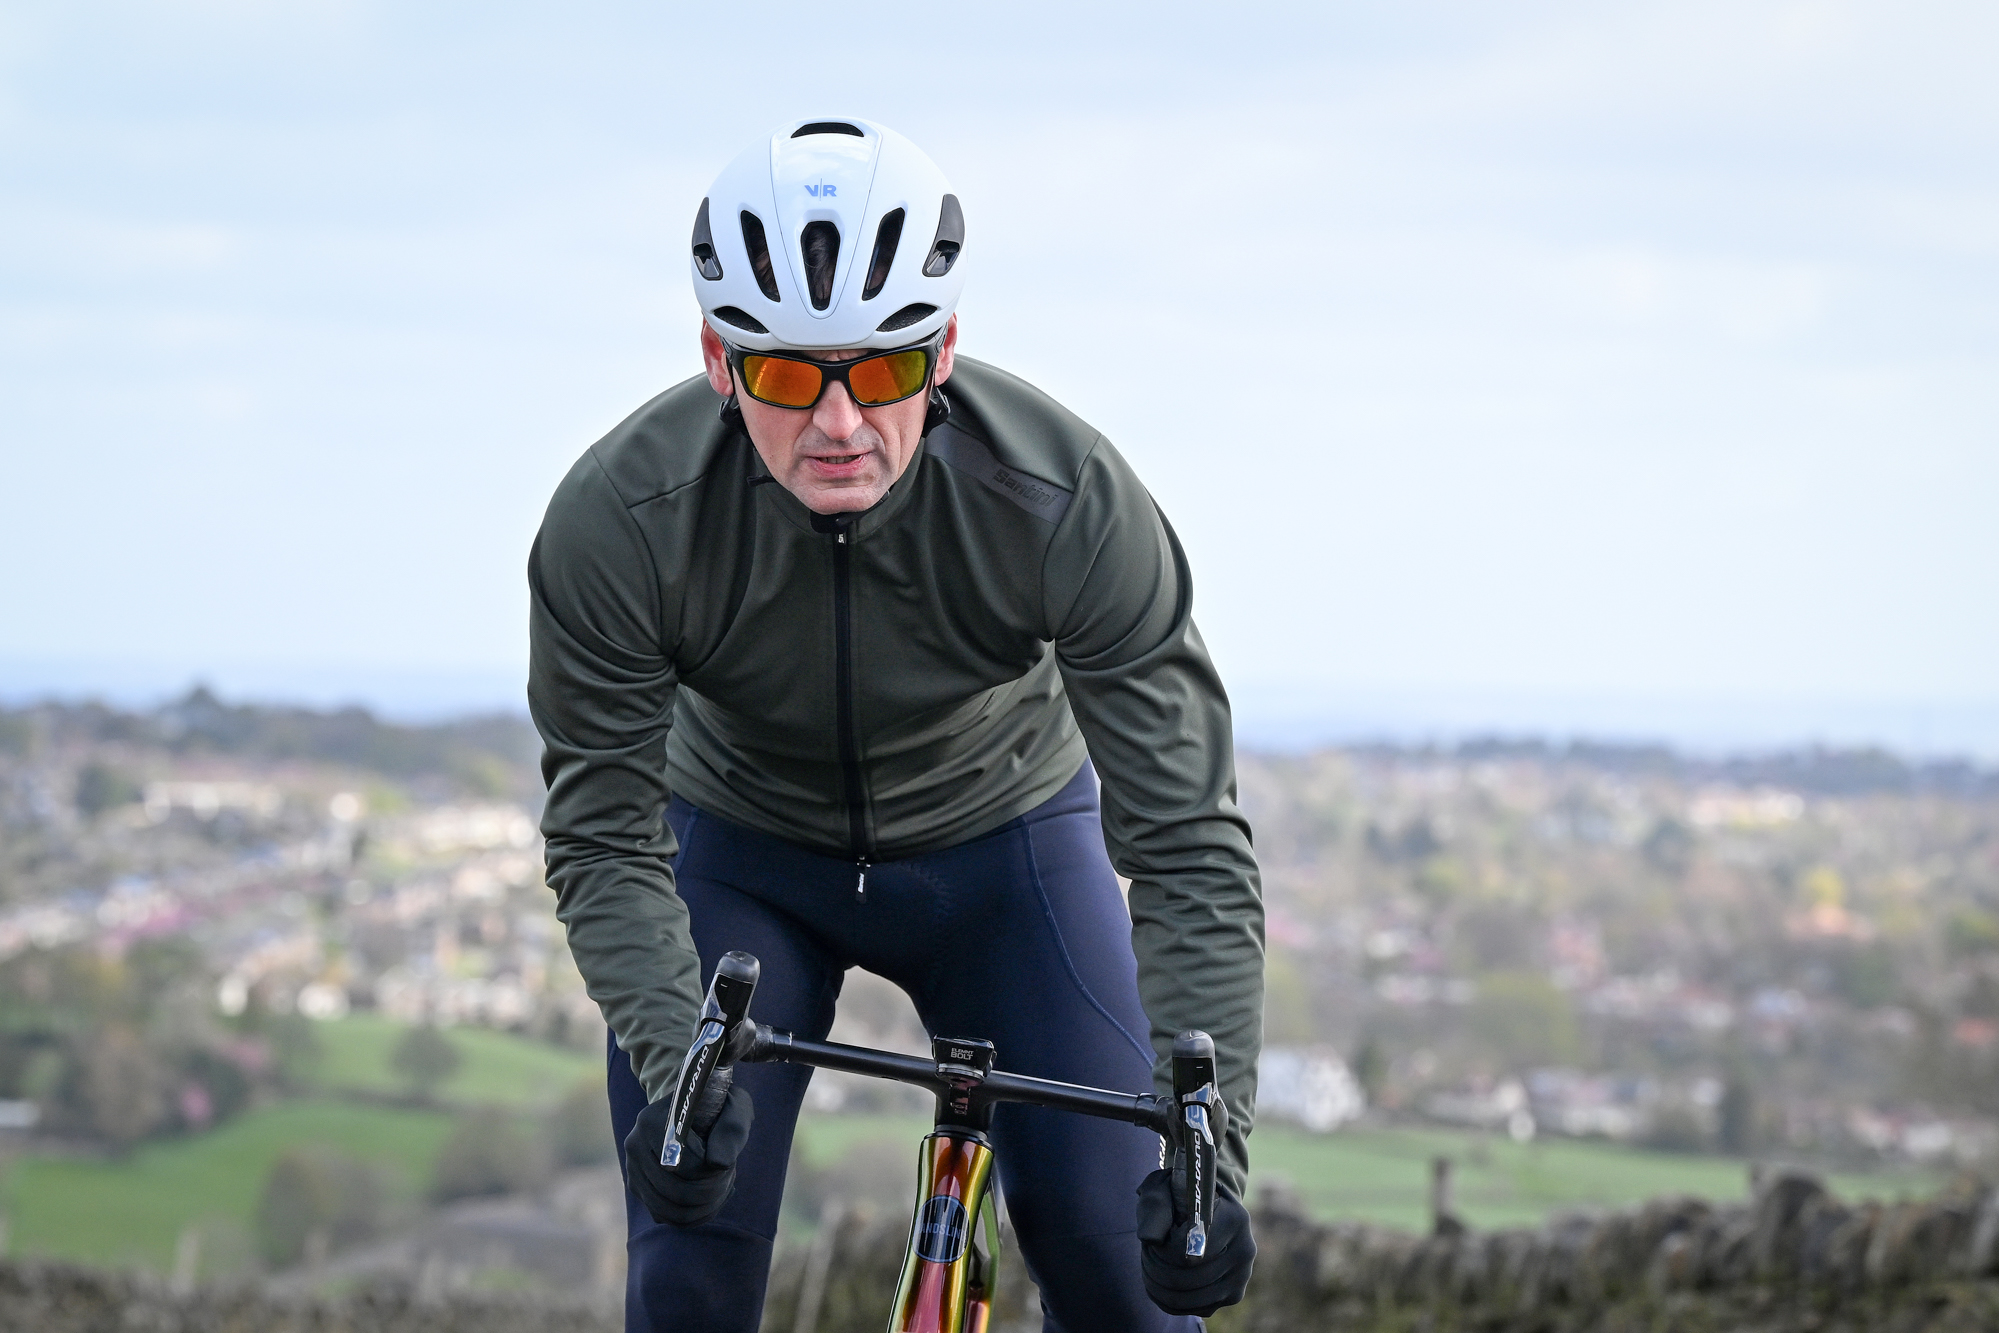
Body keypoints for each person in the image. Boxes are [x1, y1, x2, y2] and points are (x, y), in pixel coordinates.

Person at [528, 117, 1264, 1332]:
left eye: (880, 371)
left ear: (943, 351)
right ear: (718, 359)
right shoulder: (621, 520)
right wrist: (671, 1064)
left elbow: (1187, 843)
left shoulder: (1064, 498)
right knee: (689, 1257)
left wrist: (1209, 1162)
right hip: (744, 856)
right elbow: (603, 834)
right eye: (786, 375)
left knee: (1129, 1277)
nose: (838, 422)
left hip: (1006, 850)